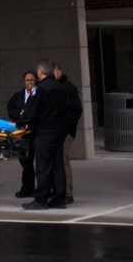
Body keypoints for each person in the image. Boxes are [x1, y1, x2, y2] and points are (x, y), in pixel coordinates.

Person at [19, 59, 68, 210]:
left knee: (43, 166)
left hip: (44, 132)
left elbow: (32, 110)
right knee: (58, 165)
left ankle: (41, 199)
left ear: (40, 72)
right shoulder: (61, 88)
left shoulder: (40, 89)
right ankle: (59, 198)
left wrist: (21, 122)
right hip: (59, 132)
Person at [52, 62, 82, 205]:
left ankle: (67, 192)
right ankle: (60, 190)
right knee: (58, 161)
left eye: (52, 72)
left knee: (63, 160)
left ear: (59, 72)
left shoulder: (67, 88)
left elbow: (76, 110)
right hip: (58, 131)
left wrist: (65, 128)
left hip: (65, 132)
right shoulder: (56, 87)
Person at [6, 71, 38, 198]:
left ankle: (42, 188)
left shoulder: (39, 94)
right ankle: (27, 189)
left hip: (36, 132)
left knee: (41, 163)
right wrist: (19, 114)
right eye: (27, 80)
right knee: (26, 162)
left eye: (32, 80)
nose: (29, 82)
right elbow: (10, 109)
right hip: (23, 134)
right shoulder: (18, 96)